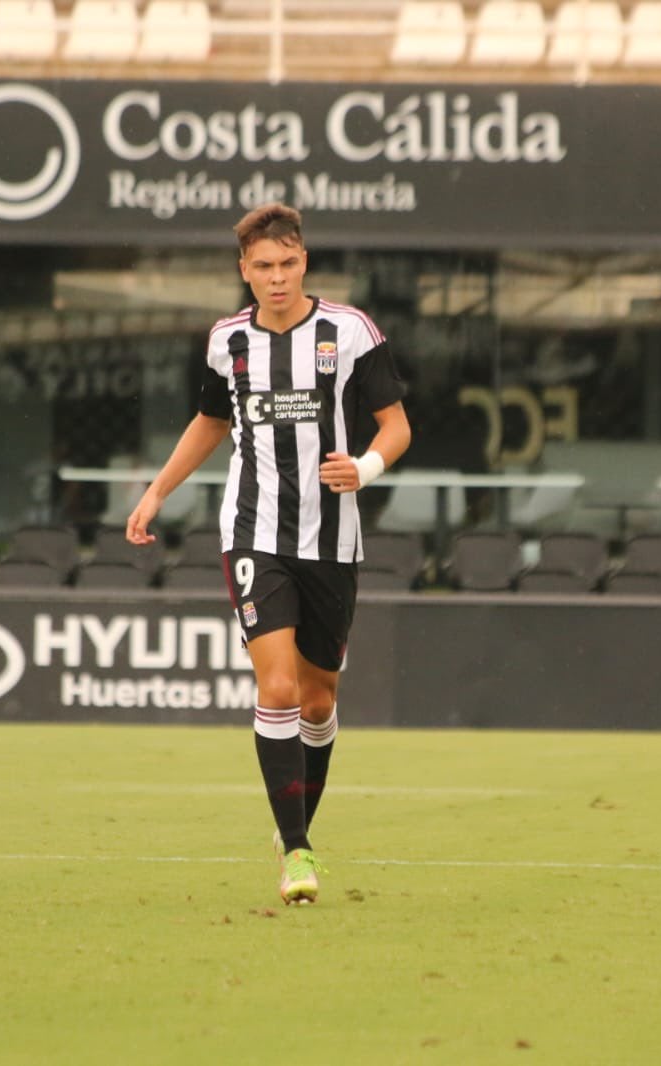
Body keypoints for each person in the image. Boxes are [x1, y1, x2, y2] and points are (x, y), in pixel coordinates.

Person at [125, 204, 410, 905]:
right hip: (253, 532)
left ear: (303, 262)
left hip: (332, 539)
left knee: (318, 700)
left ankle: (294, 831)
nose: (276, 278)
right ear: (243, 270)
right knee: (277, 688)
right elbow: (211, 421)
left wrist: (366, 468)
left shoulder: (349, 331)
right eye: (262, 267)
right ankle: (297, 851)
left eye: (286, 264)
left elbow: (396, 425)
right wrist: (156, 490)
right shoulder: (228, 341)